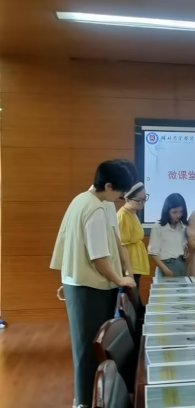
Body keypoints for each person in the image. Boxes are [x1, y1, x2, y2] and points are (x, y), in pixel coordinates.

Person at [50, 161, 136, 408]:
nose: (121, 197)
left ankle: (91, 398)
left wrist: (125, 269)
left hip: (84, 283)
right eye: (120, 192)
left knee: (91, 345)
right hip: (87, 286)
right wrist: (120, 279)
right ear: (108, 186)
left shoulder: (87, 200)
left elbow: (113, 242)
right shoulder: (95, 209)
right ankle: (84, 402)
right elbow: (98, 258)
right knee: (89, 347)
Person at [117, 182, 150, 289]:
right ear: (127, 199)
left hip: (136, 264)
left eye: (144, 198)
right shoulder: (123, 216)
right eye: (139, 200)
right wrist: (128, 271)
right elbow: (122, 246)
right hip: (130, 267)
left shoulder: (133, 212)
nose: (143, 202)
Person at [148, 193, 188, 278]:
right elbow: (153, 253)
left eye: (181, 212)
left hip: (181, 264)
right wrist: (166, 270)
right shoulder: (158, 227)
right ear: (167, 211)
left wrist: (187, 251)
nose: (178, 215)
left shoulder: (183, 227)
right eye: (174, 212)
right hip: (166, 265)